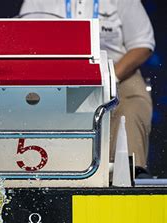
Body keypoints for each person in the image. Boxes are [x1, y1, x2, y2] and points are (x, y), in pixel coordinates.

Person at [19, 0, 155, 178]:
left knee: (133, 101)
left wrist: (111, 77)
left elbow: (143, 44)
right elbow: (23, 40)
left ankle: (130, 171)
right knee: (23, 98)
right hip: (55, 75)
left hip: (115, 71)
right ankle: (32, 170)